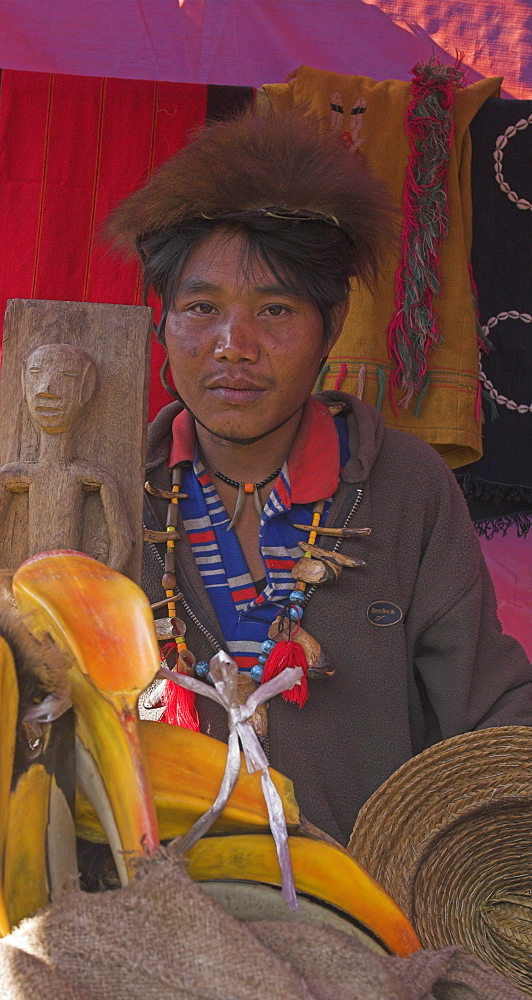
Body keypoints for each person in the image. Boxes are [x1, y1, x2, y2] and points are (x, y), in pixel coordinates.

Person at [107, 108, 532, 845]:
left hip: (363, 916)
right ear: (161, 324)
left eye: (274, 310)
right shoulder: (111, 487)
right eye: (200, 309)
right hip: (146, 906)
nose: (232, 347)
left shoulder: (405, 487)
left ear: (331, 327)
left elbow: (489, 713)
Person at [0, 342, 133, 572]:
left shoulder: (97, 479)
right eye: (35, 373)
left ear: (86, 388)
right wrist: (8, 596)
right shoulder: (9, 477)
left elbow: (123, 544)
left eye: (66, 375)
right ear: (23, 381)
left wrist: (93, 593)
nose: (45, 388)